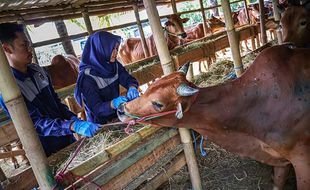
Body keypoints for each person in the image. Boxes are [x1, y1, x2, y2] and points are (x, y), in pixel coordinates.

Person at [0, 23, 99, 157]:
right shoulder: (9, 91)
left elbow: (57, 104)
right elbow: (35, 124)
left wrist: (74, 120)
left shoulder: (39, 72)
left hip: (68, 139)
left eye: (28, 44)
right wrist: (71, 126)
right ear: (7, 48)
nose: (29, 49)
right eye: (23, 45)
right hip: (46, 151)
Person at [74, 31, 139, 124]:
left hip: (118, 116)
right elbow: (96, 109)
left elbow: (127, 78)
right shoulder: (87, 78)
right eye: (112, 49)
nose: (116, 52)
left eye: (116, 48)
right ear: (100, 49)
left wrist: (132, 87)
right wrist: (113, 104)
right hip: (101, 125)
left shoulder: (114, 65)